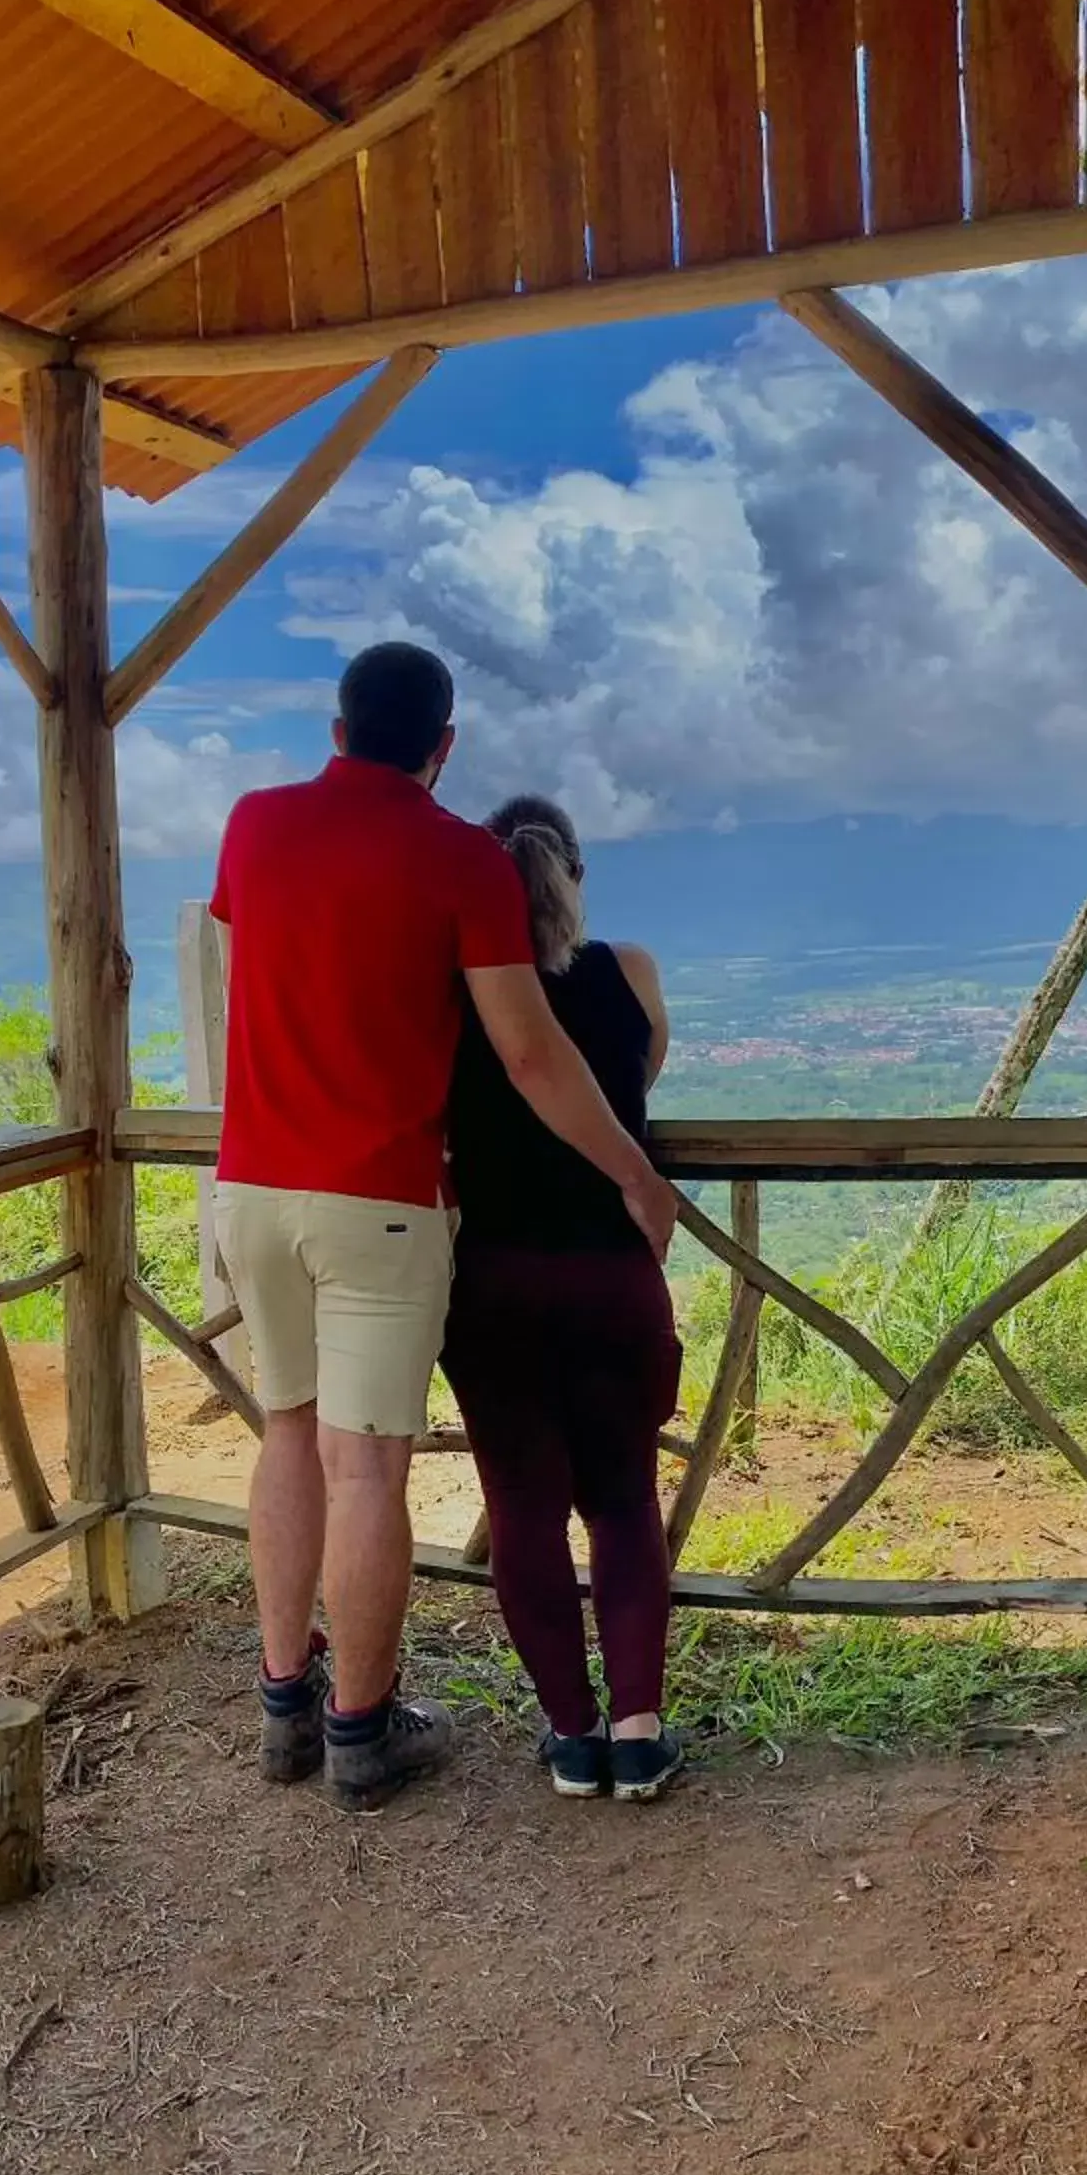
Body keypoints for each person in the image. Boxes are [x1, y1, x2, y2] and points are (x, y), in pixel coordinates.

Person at [210, 647, 676, 1812]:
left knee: (286, 1432)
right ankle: (360, 1732)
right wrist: (637, 1173)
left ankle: (283, 1703)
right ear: (444, 744)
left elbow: (250, 974)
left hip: (250, 1185)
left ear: (335, 726)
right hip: (379, 1195)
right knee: (366, 1464)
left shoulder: (253, 826)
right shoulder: (461, 857)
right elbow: (530, 1052)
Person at [440, 796, 688, 1803]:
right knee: (624, 1502)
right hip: (612, 1277)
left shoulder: (455, 994)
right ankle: (638, 1729)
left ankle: (570, 1732)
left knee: (524, 1512)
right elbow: (643, 1075)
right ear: (575, 876)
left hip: (495, 1284)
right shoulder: (630, 971)